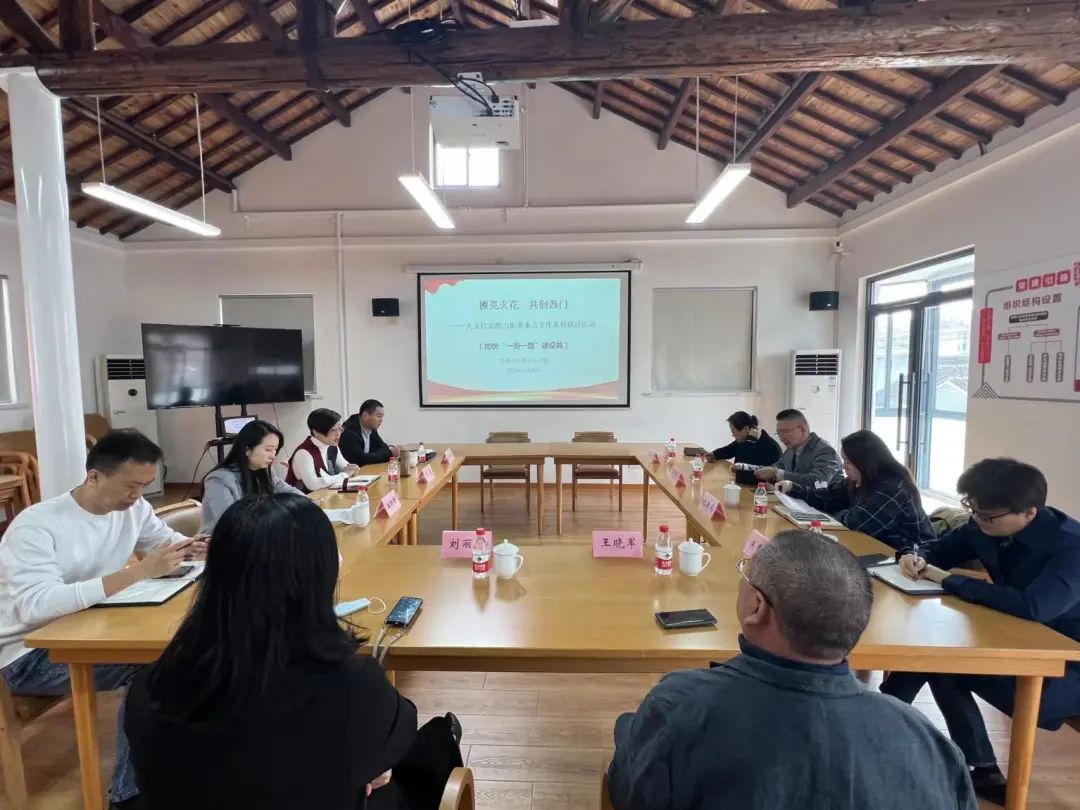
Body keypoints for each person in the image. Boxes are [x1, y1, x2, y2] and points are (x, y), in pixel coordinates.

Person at [125, 494, 463, 810]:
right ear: (320, 576)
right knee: (426, 754)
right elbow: (401, 728)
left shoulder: (149, 688)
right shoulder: (353, 685)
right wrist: (374, 766)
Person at [607, 529, 976, 810]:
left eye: (745, 576)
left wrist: (633, 734)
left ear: (756, 607)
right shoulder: (930, 744)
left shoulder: (681, 705)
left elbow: (630, 795)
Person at [0, 430, 207, 810]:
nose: (137, 496)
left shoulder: (133, 510)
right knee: (158, 666)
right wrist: (139, 572)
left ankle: (178, 770)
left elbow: (164, 543)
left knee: (186, 652)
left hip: (83, 628)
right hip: (26, 654)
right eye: (131, 486)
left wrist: (195, 548)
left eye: (145, 486)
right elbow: (35, 606)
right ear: (94, 476)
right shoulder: (37, 526)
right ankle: (129, 795)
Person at [881, 458, 1080, 805]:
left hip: (1066, 666)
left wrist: (951, 581)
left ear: (1029, 513)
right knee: (938, 655)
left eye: (988, 516)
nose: (978, 520)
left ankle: (881, 718)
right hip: (1019, 641)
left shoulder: (1071, 546)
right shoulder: (983, 525)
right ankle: (975, 764)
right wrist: (913, 556)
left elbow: (1033, 607)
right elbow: (936, 549)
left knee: (940, 660)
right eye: (973, 509)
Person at [776, 429, 935, 551]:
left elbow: (858, 522)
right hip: (873, 547)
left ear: (865, 462)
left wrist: (834, 512)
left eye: (848, 462)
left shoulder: (894, 487)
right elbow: (826, 496)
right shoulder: (858, 480)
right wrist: (792, 487)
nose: (843, 466)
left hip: (908, 555)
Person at [199, 419, 301, 533]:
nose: (273, 456)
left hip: (258, 535)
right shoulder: (219, 480)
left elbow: (289, 491)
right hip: (222, 540)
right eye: (268, 450)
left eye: (275, 450)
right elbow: (229, 523)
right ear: (247, 450)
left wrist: (308, 504)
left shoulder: (265, 472)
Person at [755, 408, 843, 488]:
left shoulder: (825, 451)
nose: (782, 438)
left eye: (786, 432)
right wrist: (750, 468)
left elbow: (818, 481)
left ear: (803, 429)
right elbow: (774, 468)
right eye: (779, 433)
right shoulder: (790, 450)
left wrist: (777, 474)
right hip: (793, 499)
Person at [285, 408, 359, 493]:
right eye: (333, 430)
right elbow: (313, 484)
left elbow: (345, 467)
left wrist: (353, 469)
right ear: (316, 432)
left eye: (339, 429)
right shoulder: (304, 453)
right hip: (300, 498)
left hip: (325, 495)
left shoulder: (332, 446)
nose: (338, 434)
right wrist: (345, 475)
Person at [704, 411, 782, 467]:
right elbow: (729, 450)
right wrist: (714, 454)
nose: (732, 435)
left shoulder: (771, 447)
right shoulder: (743, 440)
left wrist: (750, 440)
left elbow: (746, 465)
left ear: (745, 429)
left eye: (733, 430)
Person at [340, 399, 401, 467]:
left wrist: (387, 452)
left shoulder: (371, 428)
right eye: (378, 416)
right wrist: (390, 453)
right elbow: (360, 460)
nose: (381, 420)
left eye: (382, 417)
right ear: (365, 415)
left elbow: (383, 447)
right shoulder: (349, 431)